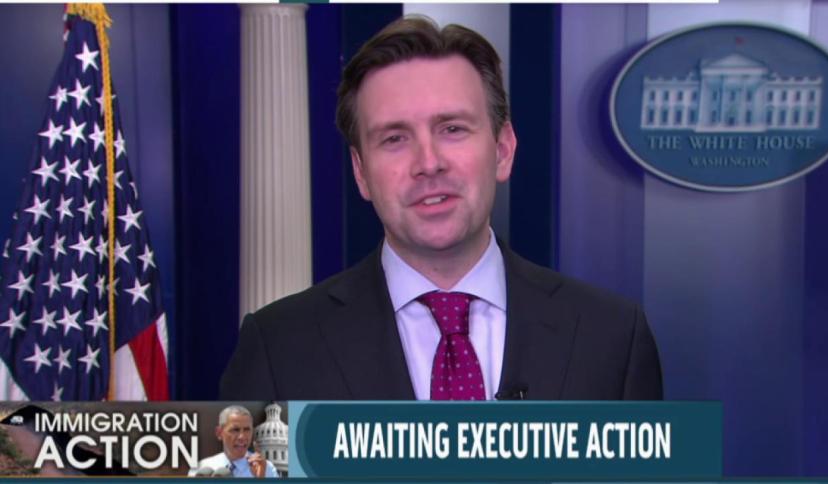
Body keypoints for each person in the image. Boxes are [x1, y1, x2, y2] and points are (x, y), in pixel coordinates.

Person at [220, 16, 662, 401]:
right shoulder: (278, 346)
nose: (428, 163)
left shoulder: (611, 337)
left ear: (503, 149)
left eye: (452, 129)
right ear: (360, 171)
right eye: (394, 138)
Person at [189, 406, 278, 478]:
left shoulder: (267, 469)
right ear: (219, 433)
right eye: (235, 430)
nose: (242, 437)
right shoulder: (201, 468)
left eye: (247, 430)